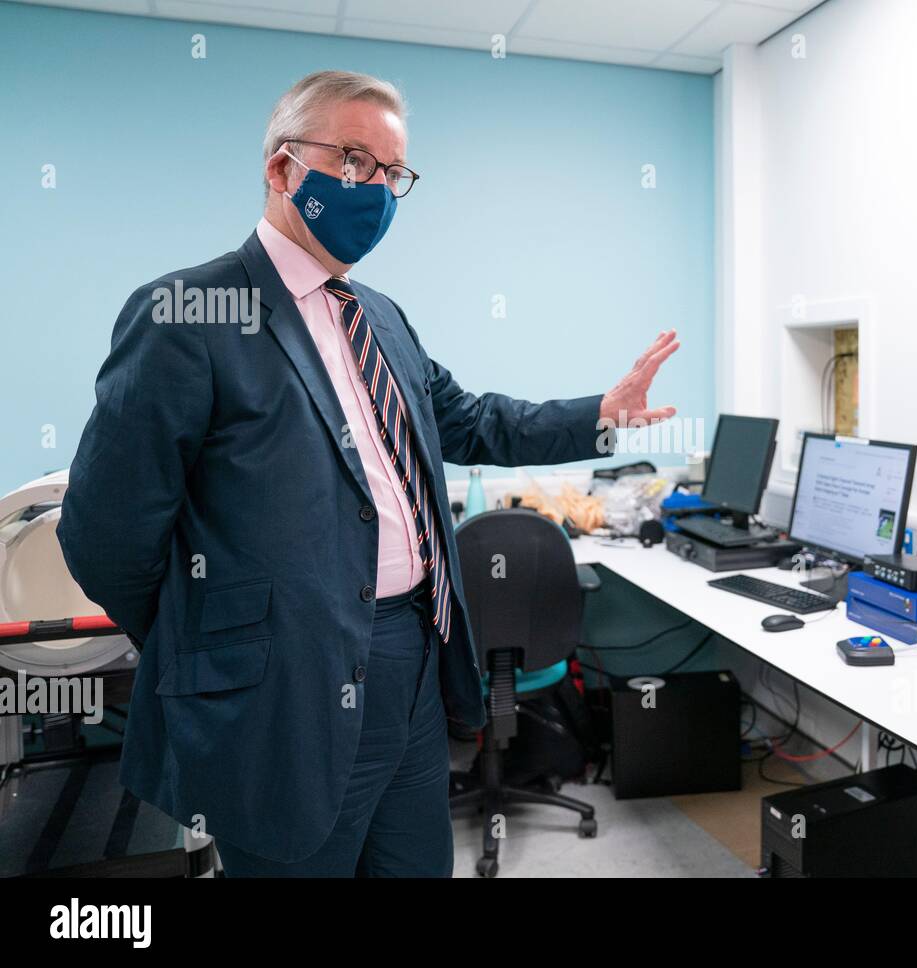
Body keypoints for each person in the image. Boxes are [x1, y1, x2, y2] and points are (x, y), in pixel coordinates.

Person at [56, 70, 678, 877]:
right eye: (354, 160)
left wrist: (604, 411)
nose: (376, 189)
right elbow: (105, 532)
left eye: (393, 174)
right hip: (280, 693)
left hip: (411, 661)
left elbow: (474, 420)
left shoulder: (380, 317)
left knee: (417, 865)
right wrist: (209, 641)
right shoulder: (190, 311)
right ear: (283, 170)